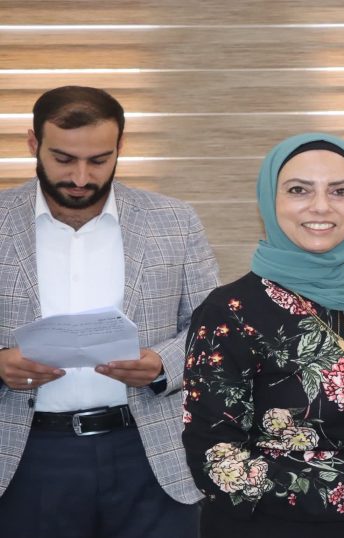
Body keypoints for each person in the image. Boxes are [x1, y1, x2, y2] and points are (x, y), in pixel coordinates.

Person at [182, 133, 344, 538]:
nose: (321, 206)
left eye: (340, 191)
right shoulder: (230, 312)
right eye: (299, 190)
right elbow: (216, 461)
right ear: (270, 201)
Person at [0, 86, 219, 538]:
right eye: (63, 159)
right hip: (25, 453)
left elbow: (212, 330)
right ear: (33, 143)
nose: (81, 177)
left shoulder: (175, 221)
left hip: (149, 452)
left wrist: (163, 365)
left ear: (120, 146)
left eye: (99, 160)